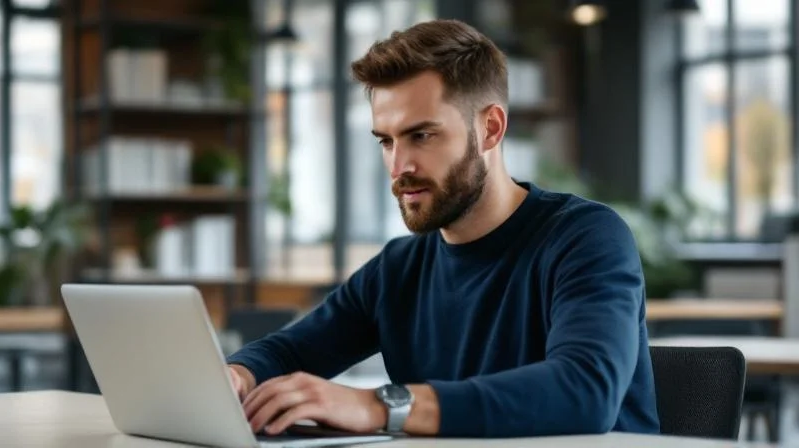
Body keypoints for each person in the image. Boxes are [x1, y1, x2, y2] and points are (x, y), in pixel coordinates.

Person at [226, 19, 660, 438]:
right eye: (386, 140)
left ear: (490, 128)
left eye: (422, 136)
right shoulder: (397, 270)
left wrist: (378, 406)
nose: (399, 168)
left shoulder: (586, 238)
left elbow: (585, 391)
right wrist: (237, 378)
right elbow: (289, 352)